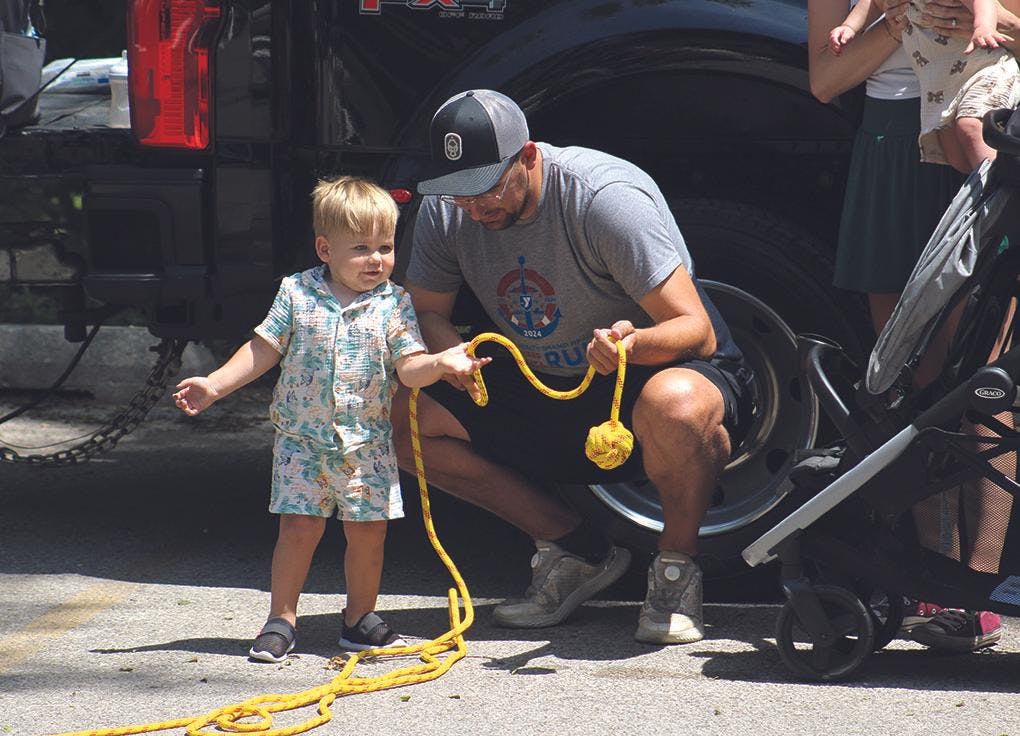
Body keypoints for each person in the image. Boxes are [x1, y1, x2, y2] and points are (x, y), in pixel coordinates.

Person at [391, 89, 757, 645]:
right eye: (459, 193)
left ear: (528, 156)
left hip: (641, 370)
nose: (474, 208)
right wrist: (448, 356)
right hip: (540, 375)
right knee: (399, 414)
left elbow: (695, 330)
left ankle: (676, 569)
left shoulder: (604, 199)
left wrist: (629, 346)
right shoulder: (449, 210)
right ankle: (575, 551)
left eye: (487, 188)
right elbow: (426, 312)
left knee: (678, 407)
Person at [172, 176, 490, 663]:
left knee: (369, 532)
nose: (376, 259)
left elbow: (409, 367)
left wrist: (443, 362)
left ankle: (359, 619)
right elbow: (262, 349)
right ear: (325, 249)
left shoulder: (395, 303)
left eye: (385, 247)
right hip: (302, 442)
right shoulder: (297, 292)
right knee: (298, 528)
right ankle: (281, 619)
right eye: (361, 248)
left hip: (367, 444)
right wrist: (214, 385)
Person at [810, 0, 1020, 649]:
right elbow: (825, 80)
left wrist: (993, 21)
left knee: (986, 383)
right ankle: (930, 577)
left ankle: (981, 585)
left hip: (983, 133)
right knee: (910, 381)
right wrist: (900, 20)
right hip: (891, 144)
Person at [831, 0, 1020, 174]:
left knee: (971, 127)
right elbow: (872, 3)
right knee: (954, 155)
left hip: (982, 67)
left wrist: (983, 26)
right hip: (942, 82)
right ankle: (988, 185)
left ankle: (997, 189)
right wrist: (849, 27)